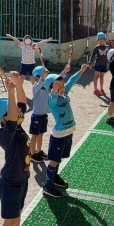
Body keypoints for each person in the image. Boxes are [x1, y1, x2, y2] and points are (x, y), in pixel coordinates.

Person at [0, 72, 29, 226]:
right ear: (3, 119)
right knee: (10, 220)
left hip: (21, 178)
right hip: (11, 182)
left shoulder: (17, 125)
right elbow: (12, 118)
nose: (19, 112)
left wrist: (18, 84)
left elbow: (22, 104)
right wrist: (10, 94)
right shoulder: (6, 136)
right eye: (12, 110)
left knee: (18, 214)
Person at [42, 64, 89, 198]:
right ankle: (48, 186)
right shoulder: (52, 101)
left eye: (62, 86)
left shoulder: (65, 93)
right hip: (59, 136)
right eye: (57, 87)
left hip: (68, 132)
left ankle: (54, 177)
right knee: (54, 160)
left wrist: (80, 71)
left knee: (59, 159)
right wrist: (55, 90)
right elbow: (53, 96)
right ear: (51, 89)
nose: (62, 88)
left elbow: (71, 81)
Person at [29, 64, 70, 163]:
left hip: (44, 115)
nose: (47, 76)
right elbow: (39, 85)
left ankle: (39, 151)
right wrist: (43, 78)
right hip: (36, 116)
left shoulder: (48, 86)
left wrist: (64, 71)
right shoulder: (36, 87)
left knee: (41, 134)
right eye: (44, 75)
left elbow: (55, 80)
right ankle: (32, 153)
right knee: (34, 135)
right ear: (38, 77)